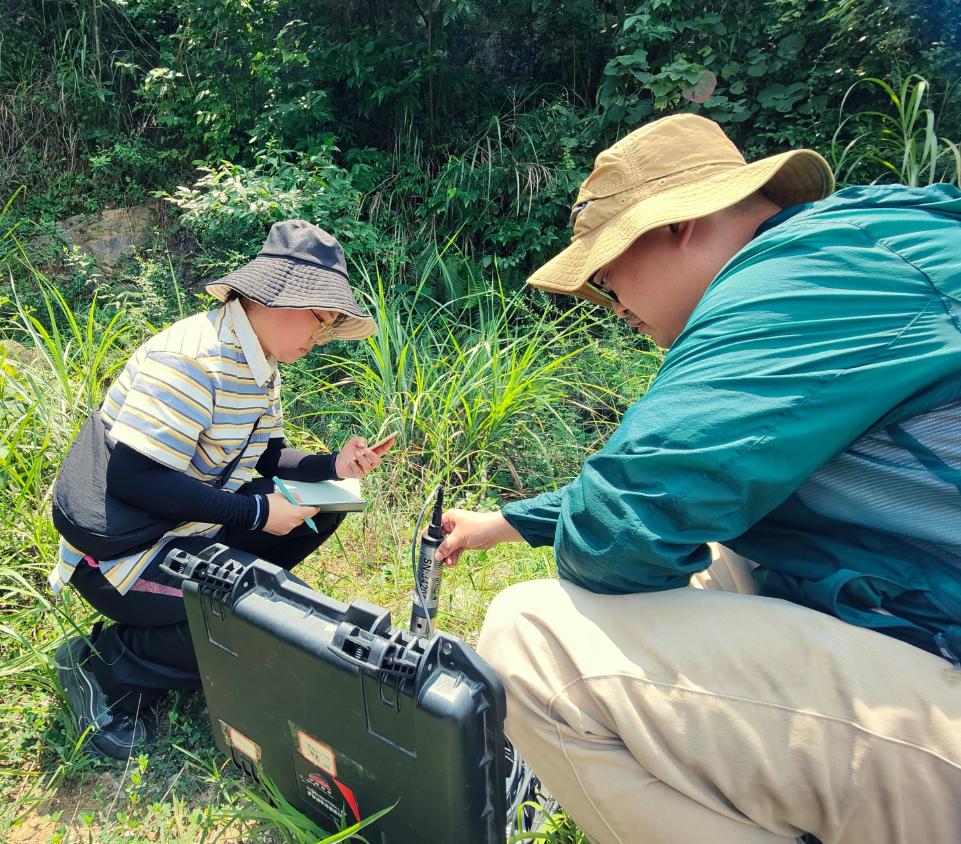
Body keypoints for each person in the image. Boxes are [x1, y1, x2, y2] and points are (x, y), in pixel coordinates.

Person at [436, 114, 961, 843]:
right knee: (726, 559)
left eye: (606, 270)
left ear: (678, 223)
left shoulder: (802, 275)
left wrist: (579, 522)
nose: (611, 304)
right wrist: (513, 520)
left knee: (533, 640)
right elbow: (694, 485)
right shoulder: (874, 246)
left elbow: (621, 528)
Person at [52, 220, 392, 761]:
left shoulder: (260, 359)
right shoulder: (194, 359)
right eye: (321, 321)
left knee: (322, 504)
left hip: (184, 522)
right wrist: (257, 513)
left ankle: (200, 613)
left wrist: (335, 464)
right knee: (253, 626)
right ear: (283, 302)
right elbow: (133, 477)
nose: (320, 337)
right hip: (123, 555)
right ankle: (101, 663)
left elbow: (268, 454)